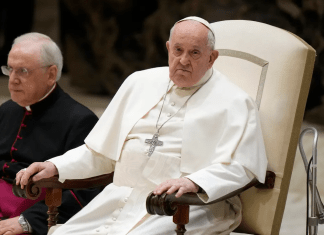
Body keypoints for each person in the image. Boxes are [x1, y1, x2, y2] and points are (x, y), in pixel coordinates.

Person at [17, 17, 268, 235]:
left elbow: (242, 167)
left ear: (212, 58)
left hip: (187, 206)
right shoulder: (138, 82)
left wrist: (194, 182)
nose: (183, 60)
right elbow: (100, 154)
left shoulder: (235, 102)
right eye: (178, 50)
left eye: (194, 53)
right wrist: (55, 165)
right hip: (121, 196)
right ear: (168, 48)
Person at [0, 33, 101, 235]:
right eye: (9, 69)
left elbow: (87, 189)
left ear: (51, 74)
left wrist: (28, 221)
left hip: (29, 212)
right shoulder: (8, 109)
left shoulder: (80, 120)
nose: (13, 80)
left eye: (23, 71)